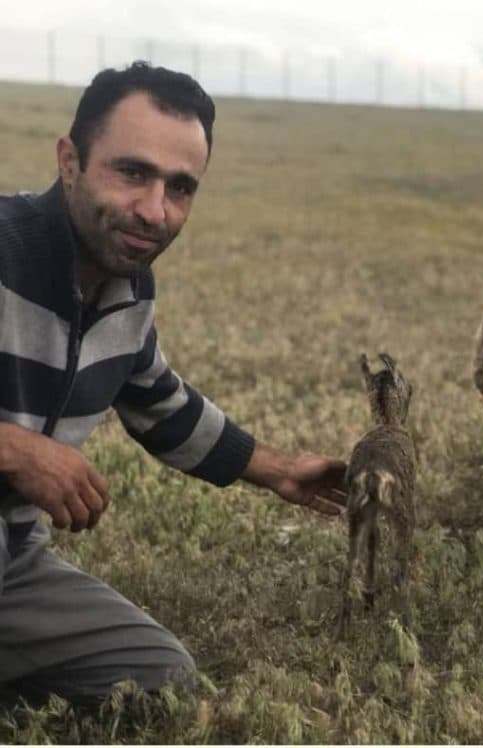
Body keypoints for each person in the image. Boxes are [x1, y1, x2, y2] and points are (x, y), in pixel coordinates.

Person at [0, 61, 347, 705]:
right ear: (69, 160)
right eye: (132, 173)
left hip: (11, 568)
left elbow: (162, 404)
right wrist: (15, 449)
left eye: (180, 187)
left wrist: (280, 471)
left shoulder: (127, 291)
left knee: (154, 675)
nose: (154, 211)